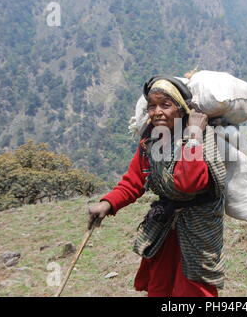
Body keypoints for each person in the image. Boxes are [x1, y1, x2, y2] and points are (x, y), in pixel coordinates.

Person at [87, 76, 227, 297]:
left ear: (181, 110)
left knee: (193, 286)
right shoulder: (151, 139)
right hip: (166, 222)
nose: (157, 111)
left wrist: (193, 137)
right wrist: (108, 203)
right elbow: (134, 180)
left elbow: (188, 184)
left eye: (165, 105)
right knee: (160, 284)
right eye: (152, 106)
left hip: (199, 223)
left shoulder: (202, 138)